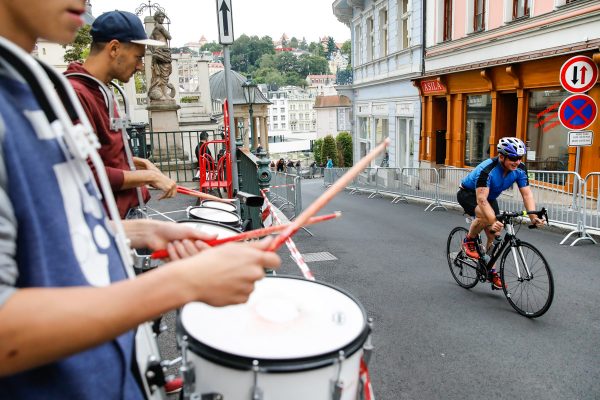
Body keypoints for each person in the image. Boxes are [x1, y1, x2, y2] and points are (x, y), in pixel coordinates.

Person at [0, 4, 280, 399]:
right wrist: (181, 283)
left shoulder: (35, 87)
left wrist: (138, 230)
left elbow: (53, 226)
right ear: (114, 49)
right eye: (137, 53)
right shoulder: (54, 93)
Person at [65, 10, 177, 219]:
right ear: (114, 48)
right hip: (109, 222)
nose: (140, 66)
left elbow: (103, 153)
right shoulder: (75, 94)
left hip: (125, 214)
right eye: (138, 57)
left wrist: (139, 163)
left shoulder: (100, 88)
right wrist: (148, 176)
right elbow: (86, 173)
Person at [457, 137, 543, 289]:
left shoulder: (520, 169)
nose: (517, 162)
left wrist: (533, 217)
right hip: (469, 194)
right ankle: (469, 240)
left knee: (494, 236)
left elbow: (527, 194)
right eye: (513, 158)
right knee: (486, 218)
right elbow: (481, 200)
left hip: (489, 198)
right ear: (502, 156)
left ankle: (490, 270)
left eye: (520, 158)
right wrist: (493, 220)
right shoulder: (487, 170)